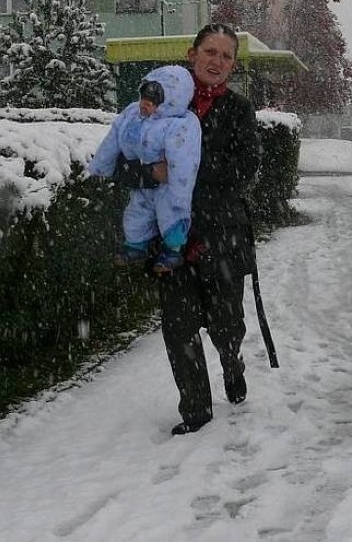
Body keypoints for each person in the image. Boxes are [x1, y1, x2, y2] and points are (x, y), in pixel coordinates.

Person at [114, 23, 260, 436]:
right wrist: (149, 174)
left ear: (233, 66)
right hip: (170, 239)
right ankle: (196, 410)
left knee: (225, 325)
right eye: (210, 52)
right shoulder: (156, 102)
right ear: (191, 54)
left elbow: (245, 169)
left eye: (226, 56)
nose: (217, 61)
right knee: (178, 327)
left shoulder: (238, 110)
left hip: (222, 237)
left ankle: (232, 363)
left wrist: (180, 169)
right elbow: (126, 156)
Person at [87, 65, 200, 274]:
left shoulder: (180, 123)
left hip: (167, 186)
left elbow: (183, 159)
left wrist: (179, 191)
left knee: (172, 214)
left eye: (153, 101)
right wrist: (101, 166)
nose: (145, 105)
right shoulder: (132, 114)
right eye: (143, 97)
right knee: (136, 212)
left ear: (172, 100)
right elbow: (113, 139)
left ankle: (173, 249)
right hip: (142, 181)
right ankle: (135, 245)